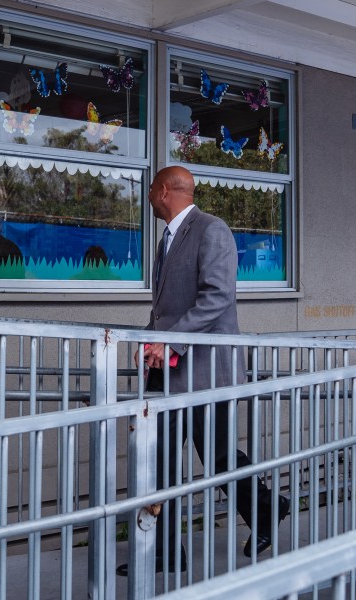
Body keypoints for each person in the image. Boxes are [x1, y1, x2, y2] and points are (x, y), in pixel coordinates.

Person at [117, 165, 289, 576]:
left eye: (150, 189)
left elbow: (216, 299)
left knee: (219, 457)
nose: (149, 198)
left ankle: (267, 508)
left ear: (163, 191)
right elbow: (167, 310)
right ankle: (164, 551)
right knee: (160, 462)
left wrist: (169, 341)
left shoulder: (212, 230)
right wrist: (149, 341)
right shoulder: (168, 238)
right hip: (170, 374)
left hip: (206, 373)